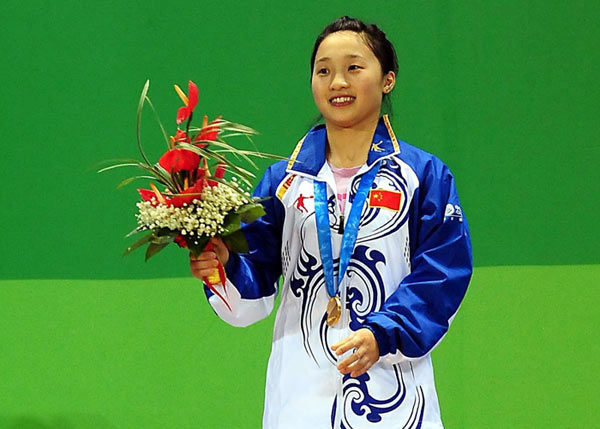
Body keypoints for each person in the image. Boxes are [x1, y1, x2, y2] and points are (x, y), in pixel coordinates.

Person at [190, 16, 472, 429]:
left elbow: (443, 274)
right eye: (323, 70)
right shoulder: (282, 182)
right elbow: (252, 295)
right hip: (300, 400)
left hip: (393, 394)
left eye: (354, 67)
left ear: (388, 79)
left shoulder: (422, 175)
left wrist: (385, 333)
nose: (337, 81)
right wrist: (222, 267)